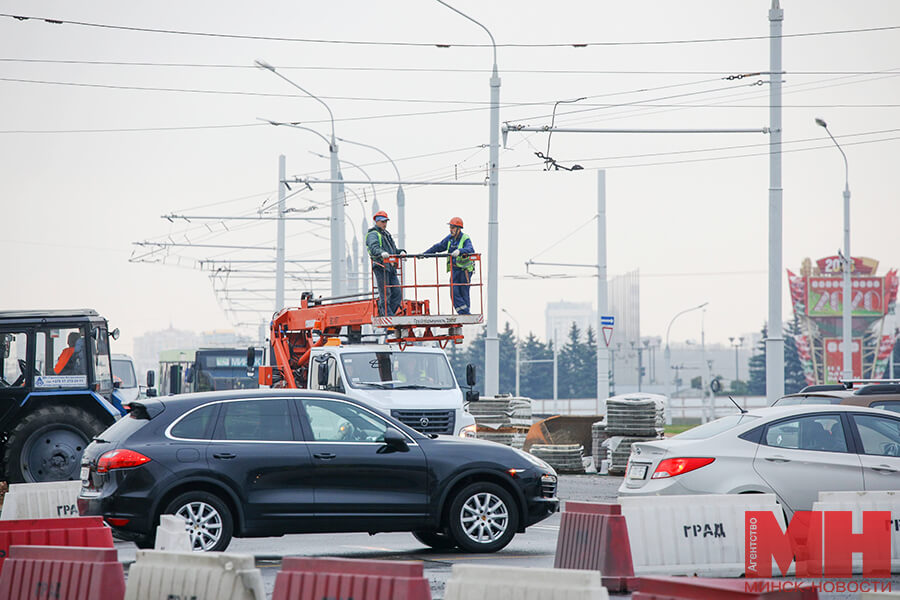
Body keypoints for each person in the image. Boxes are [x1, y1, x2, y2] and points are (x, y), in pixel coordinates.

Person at [423, 217, 475, 315]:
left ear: (459, 229)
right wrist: (425, 254)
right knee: (454, 291)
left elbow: (470, 249)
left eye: (453, 228)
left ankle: (465, 312)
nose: (451, 230)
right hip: (455, 269)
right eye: (450, 227)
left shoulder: (465, 238)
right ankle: (463, 312)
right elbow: (439, 246)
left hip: (465, 270)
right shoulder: (450, 239)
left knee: (464, 292)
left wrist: (460, 251)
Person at [366, 211, 403, 316]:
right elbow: (374, 248)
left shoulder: (386, 234)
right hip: (380, 266)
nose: (385, 224)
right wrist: (382, 253)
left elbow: (393, 249)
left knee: (397, 293)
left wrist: (400, 252)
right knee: (386, 293)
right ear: (377, 222)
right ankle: (387, 315)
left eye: (386, 221)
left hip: (390, 267)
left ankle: (388, 314)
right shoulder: (373, 234)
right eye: (382, 222)